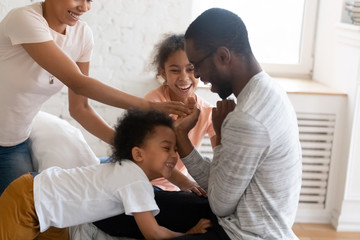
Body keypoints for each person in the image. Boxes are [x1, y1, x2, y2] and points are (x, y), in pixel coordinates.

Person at [0, 0, 189, 194]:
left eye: (89, 0)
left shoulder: (81, 35)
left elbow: (80, 108)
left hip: (16, 139)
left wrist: (127, 149)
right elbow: (78, 83)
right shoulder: (23, 19)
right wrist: (146, 106)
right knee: (17, 208)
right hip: (5, 143)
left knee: (38, 202)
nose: (84, 7)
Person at [173, 8, 303, 239]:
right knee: (145, 201)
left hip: (245, 234)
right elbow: (222, 186)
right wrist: (182, 138)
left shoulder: (247, 118)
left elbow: (220, 205)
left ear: (223, 56)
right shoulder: (268, 90)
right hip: (243, 221)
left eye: (196, 66)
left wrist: (221, 138)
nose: (197, 76)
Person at [0, 108, 212, 240]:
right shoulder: (134, 180)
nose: (174, 156)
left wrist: (183, 181)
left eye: (176, 149)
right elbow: (153, 233)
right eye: (167, 148)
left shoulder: (125, 170)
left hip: (52, 216)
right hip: (29, 202)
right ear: (137, 153)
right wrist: (188, 234)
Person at [145, 33, 216, 194]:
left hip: (177, 188)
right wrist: (185, 182)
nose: (184, 78)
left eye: (190, 69)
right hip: (145, 182)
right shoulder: (154, 102)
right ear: (163, 73)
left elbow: (222, 155)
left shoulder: (207, 111)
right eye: (175, 70)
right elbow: (154, 156)